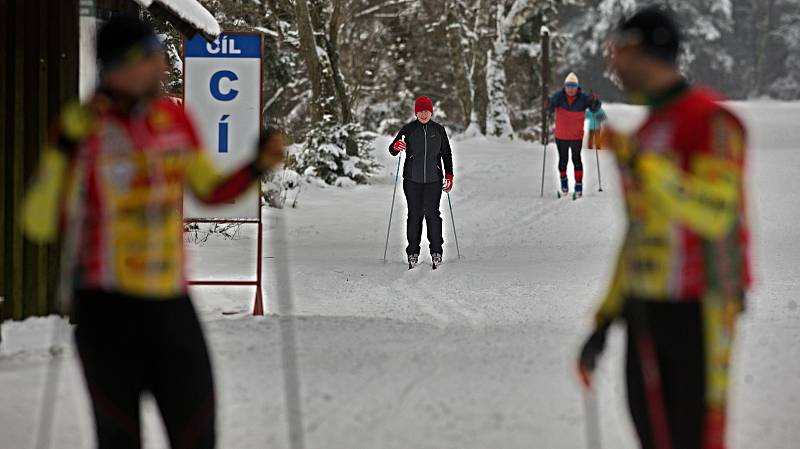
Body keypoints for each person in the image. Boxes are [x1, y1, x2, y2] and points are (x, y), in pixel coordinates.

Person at [20, 16, 285, 449]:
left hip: (170, 305)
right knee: (120, 441)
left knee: (198, 435)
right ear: (118, 67)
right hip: (105, 309)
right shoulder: (82, 128)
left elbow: (210, 191)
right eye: (150, 57)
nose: (163, 67)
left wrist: (255, 165)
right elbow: (38, 221)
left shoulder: (173, 120)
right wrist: (65, 150)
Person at [577, 7, 750, 449]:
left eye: (621, 50)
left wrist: (642, 164)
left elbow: (717, 210)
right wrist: (605, 318)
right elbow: (641, 231)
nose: (613, 61)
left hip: (699, 306)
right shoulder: (651, 127)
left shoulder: (709, 119)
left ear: (647, 50)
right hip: (646, 306)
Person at [388, 96, 454, 267]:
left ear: (431, 112)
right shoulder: (408, 130)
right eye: (420, 111)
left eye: (427, 111)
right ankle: (413, 252)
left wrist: (449, 175)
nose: (424, 114)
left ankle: (436, 251)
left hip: (434, 180)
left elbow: (447, 154)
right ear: (416, 112)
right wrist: (397, 146)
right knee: (415, 215)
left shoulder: (439, 130)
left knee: (433, 215)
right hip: (412, 180)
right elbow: (393, 149)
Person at [546, 72, 601, 198]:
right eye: (568, 86)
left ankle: (578, 186)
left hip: (576, 136)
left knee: (576, 159)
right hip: (561, 136)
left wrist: (595, 101)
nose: (570, 89)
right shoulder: (559, 96)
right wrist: (547, 106)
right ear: (565, 87)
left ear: (577, 87)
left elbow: (594, 109)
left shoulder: (583, 98)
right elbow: (549, 108)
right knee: (563, 160)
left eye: (573, 86)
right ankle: (564, 184)